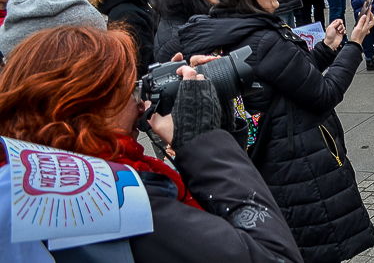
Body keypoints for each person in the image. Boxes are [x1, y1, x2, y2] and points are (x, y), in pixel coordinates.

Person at [0, 25, 305, 263]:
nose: (140, 106)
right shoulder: (106, 201)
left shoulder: (31, 180)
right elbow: (273, 256)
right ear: (86, 107)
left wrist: (215, 122)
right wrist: (204, 142)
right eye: (128, 91)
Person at [174, 0, 374, 262]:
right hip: (297, 164)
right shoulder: (262, 38)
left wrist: (326, 48)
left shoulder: (227, 30)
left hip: (268, 159)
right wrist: (355, 45)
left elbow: (290, 76)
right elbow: (323, 92)